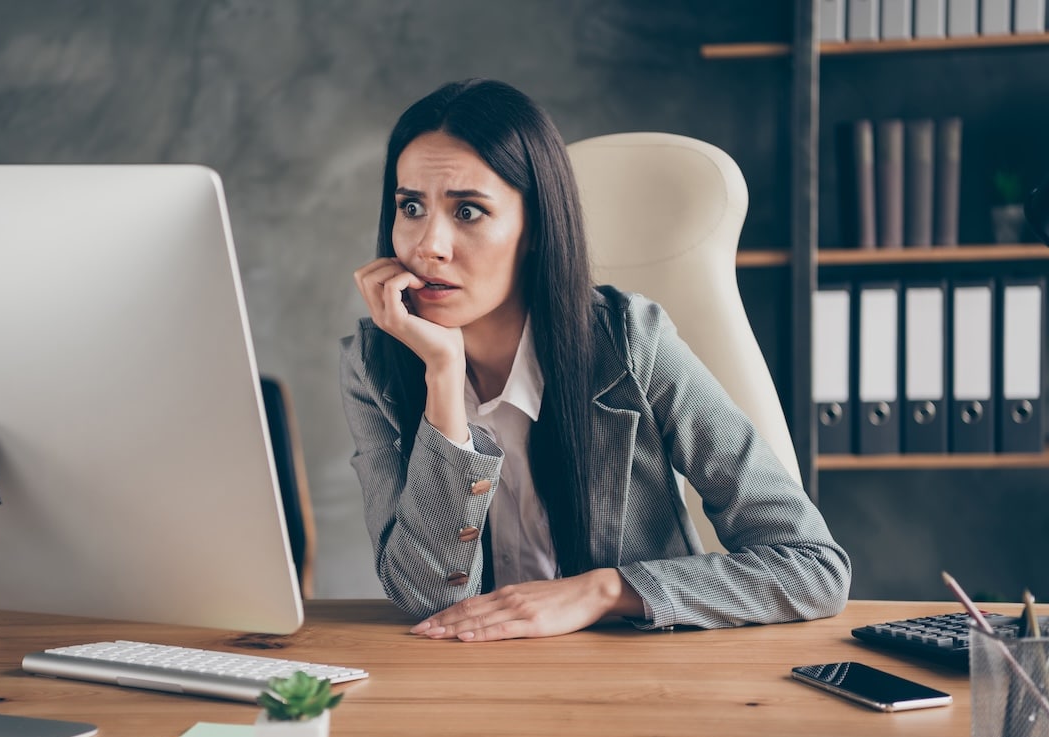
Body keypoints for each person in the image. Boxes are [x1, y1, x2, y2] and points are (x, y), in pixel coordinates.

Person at [340, 78, 850, 642]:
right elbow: (428, 598)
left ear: (534, 226)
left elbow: (813, 567)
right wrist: (442, 378)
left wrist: (604, 590)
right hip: (477, 687)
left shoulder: (633, 344)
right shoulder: (375, 366)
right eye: (411, 206)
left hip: (639, 678)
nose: (428, 244)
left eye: (468, 211)